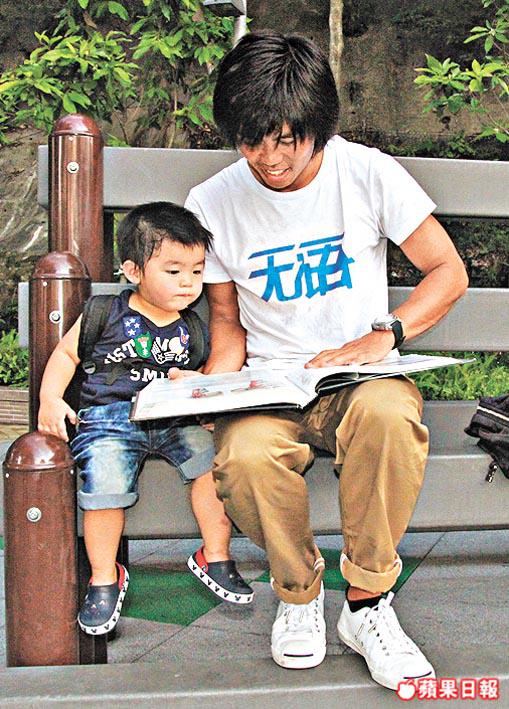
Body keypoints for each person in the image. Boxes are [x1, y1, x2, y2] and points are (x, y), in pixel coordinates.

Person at [183, 31, 469, 690]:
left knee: (390, 416)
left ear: (318, 127)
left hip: (357, 380)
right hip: (272, 388)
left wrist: (387, 333)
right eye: (251, 140)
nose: (269, 158)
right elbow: (226, 324)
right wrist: (211, 390)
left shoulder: (365, 173)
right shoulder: (213, 202)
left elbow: (446, 271)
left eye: (287, 139)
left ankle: (367, 604)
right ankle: (300, 592)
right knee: (245, 456)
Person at [37, 201, 253, 636]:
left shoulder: (192, 327)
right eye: (173, 271)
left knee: (215, 465)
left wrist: (198, 390)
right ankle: (104, 576)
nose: (188, 282)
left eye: (197, 271)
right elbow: (65, 355)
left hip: (173, 419)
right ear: (133, 271)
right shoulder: (104, 313)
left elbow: (200, 378)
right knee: (104, 483)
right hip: (109, 420)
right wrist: (50, 398)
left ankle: (215, 554)